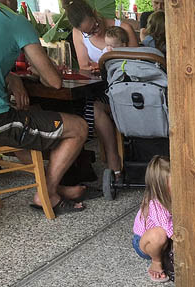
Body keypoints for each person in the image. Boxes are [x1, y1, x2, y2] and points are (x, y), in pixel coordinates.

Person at [0, 0, 88, 213]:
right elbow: (54, 81)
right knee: (78, 127)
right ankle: (47, 193)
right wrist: (39, 71)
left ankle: (54, 186)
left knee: (27, 118)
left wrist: (11, 76)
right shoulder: (16, 21)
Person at [63, 0, 137, 176]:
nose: (95, 32)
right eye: (88, 32)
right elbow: (84, 66)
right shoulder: (78, 34)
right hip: (101, 89)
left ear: (95, 13)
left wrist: (102, 64)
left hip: (126, 87)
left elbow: (137, 62)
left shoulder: (123, 28)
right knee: (90, 107)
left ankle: (107, 159)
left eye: (95, 26)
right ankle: (108, 158)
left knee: (91, 107)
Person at [133, 156, 173, 283]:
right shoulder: (155, 205)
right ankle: (156, 261)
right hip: (144, 241)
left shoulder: (174, 196)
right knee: (158, 235)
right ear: (161, 187)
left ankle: (166, 254)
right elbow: (170, 230)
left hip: (166, 240)